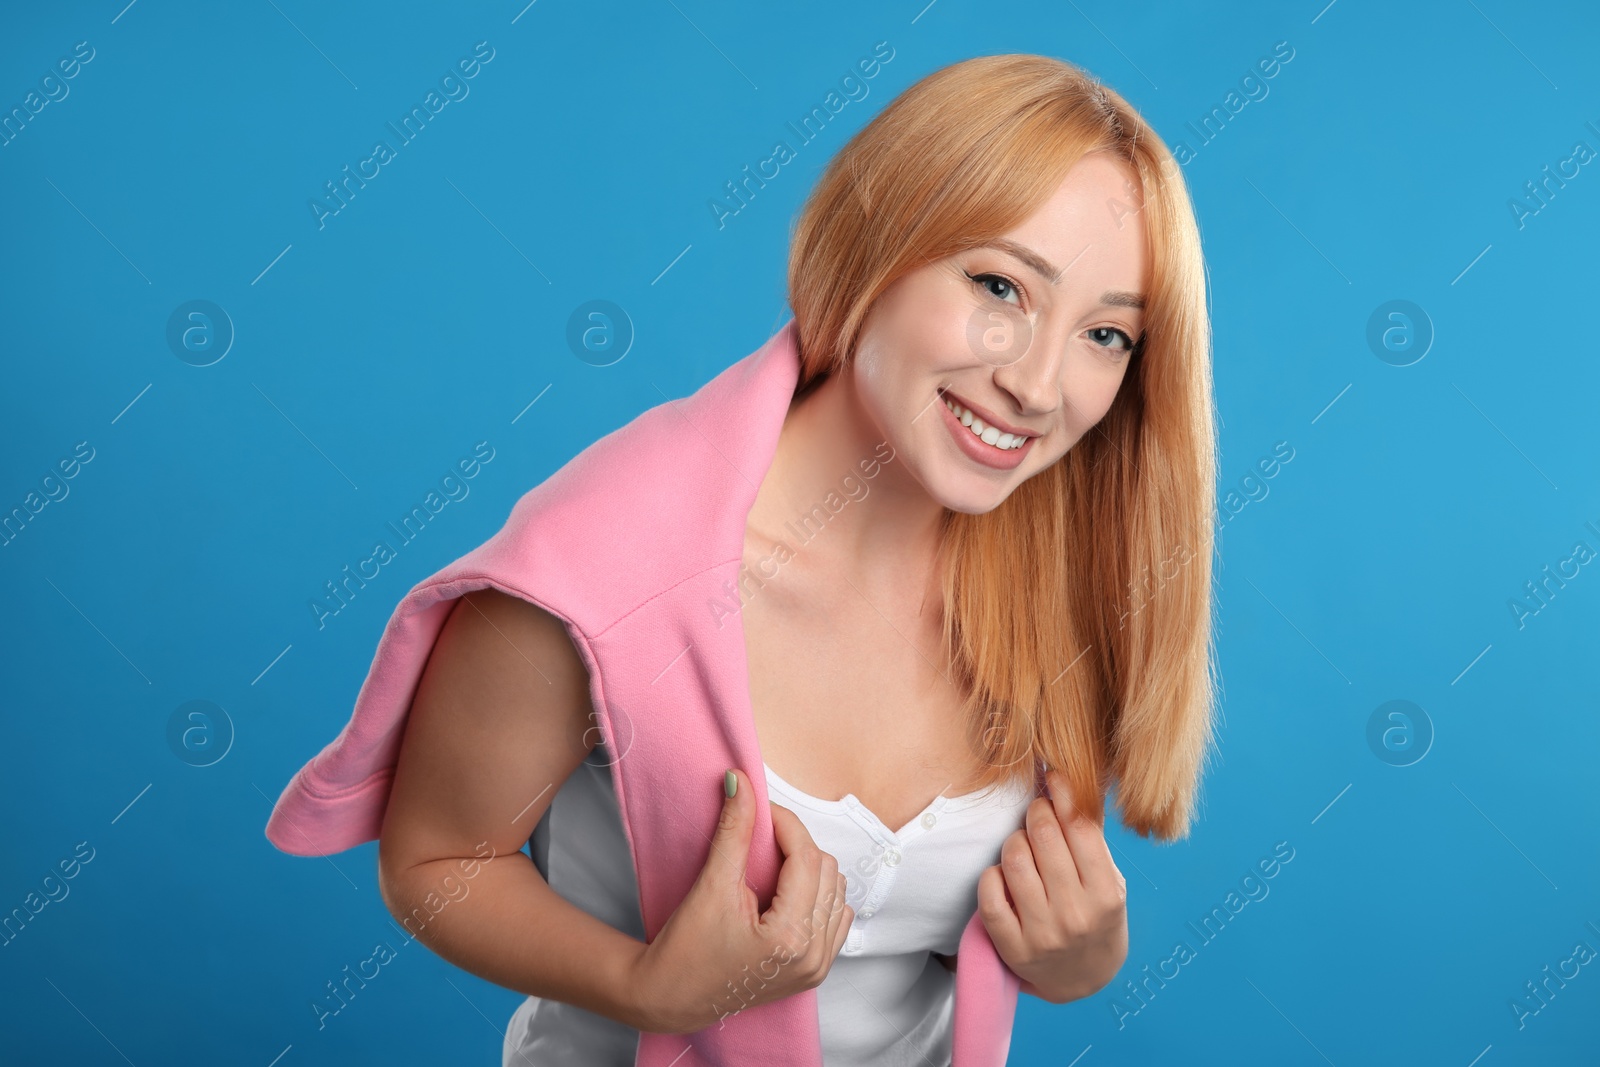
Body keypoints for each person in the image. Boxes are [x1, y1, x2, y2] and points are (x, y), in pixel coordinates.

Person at [300, 52, 1216, 1066]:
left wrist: (1079, 957)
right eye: (998, 283)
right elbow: (436, 856)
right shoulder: (603, 571)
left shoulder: (1068, 567)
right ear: (879, 240)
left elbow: (1012, 941)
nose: (1039, 386)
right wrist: (642, 985)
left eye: (1105, 334)